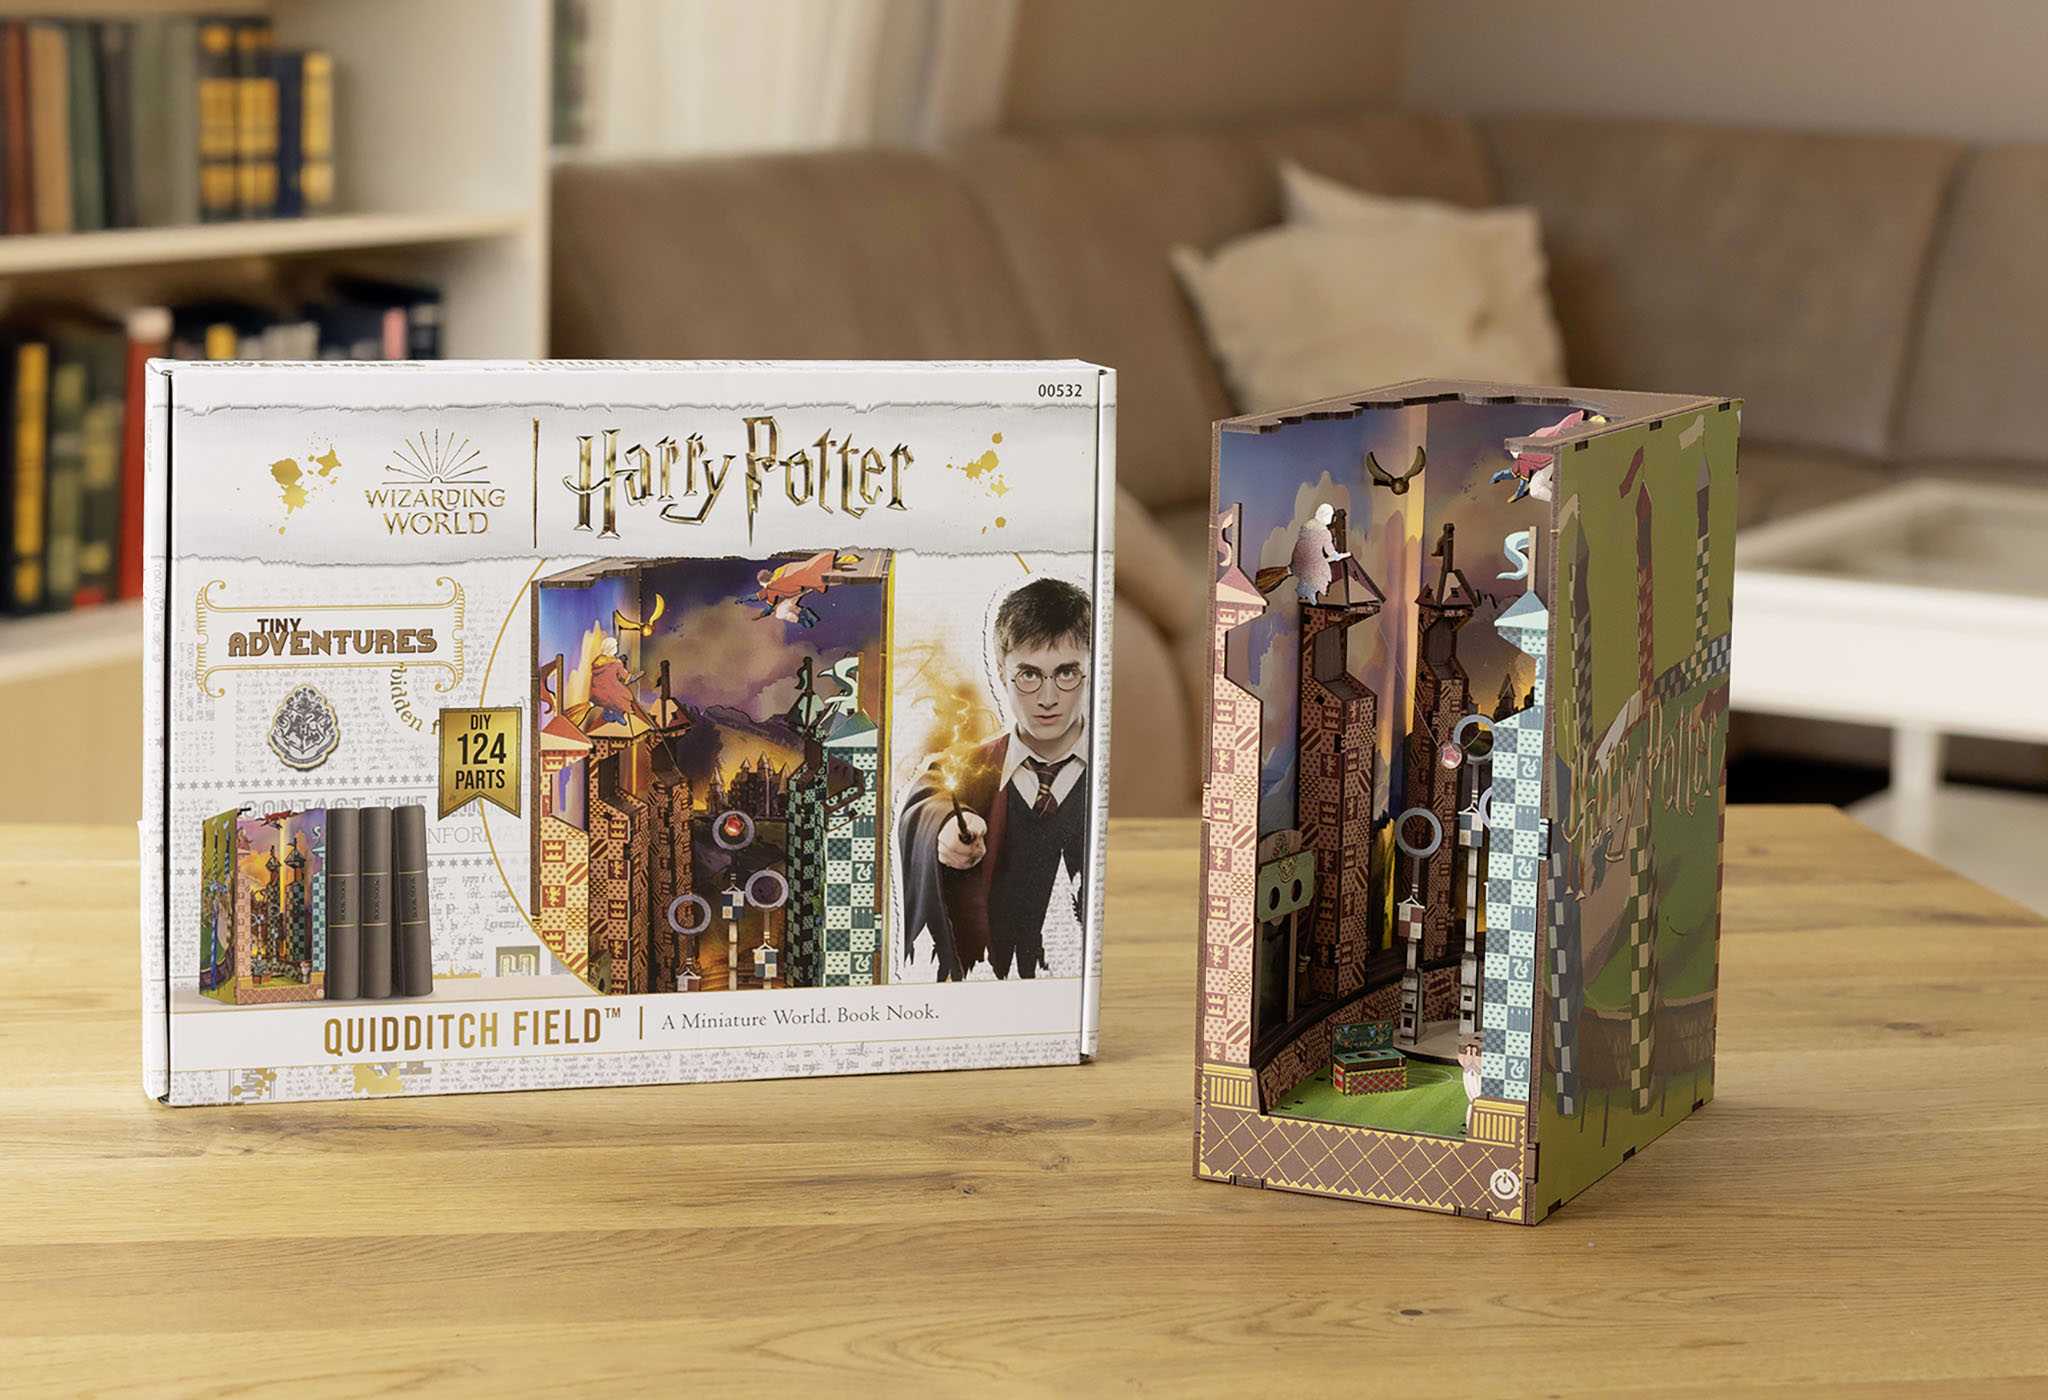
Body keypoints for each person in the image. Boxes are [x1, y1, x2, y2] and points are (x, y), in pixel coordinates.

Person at [898, 577, 1093, 980]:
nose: (1048, 698)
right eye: (1029, 675)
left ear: (1092, 669)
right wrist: (944, 828)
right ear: (1001, 671)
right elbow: (930, 798)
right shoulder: (970, 769)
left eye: (1066, 673)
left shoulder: (1120, 773)